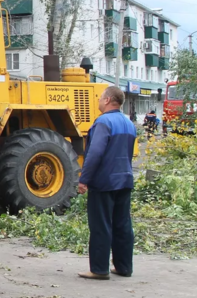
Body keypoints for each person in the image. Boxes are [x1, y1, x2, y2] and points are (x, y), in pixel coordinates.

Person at [77, 86, 136, 280]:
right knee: (123, 225)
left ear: (108, 99)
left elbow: (95, 153)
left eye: (101, 98)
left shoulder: (103, 122)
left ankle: (99, 269)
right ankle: (124, 267)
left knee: (101, 225)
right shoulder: (129, 123)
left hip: (104, 182)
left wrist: (84, 179)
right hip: (125, 179)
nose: (98, 101)